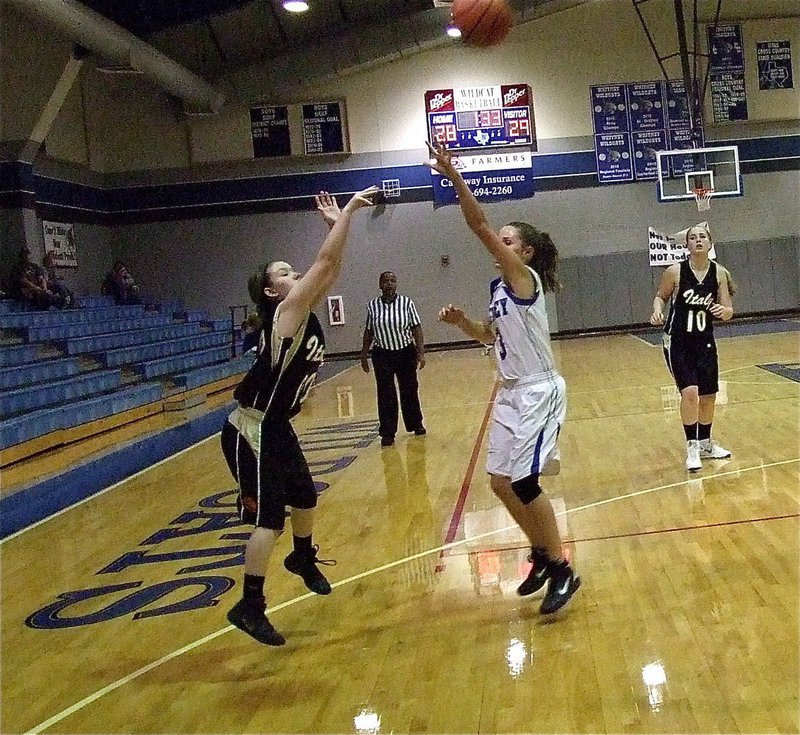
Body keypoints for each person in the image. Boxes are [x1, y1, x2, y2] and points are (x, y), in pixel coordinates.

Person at [425, 142, 580, 616]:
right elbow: (490, 337)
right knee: (498, 483)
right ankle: (539, 553)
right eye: (505, 242)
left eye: (509, 241)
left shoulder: (523, 277)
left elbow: (478, 226)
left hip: (538, 390)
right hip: (510, 392)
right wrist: (462, 325)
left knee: (526, 481)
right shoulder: (498, 290)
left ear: (525, 252)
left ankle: (562, 567)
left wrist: (453, 176)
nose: (501, 245)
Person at [220, 185, 378, 646]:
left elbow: (329, 269)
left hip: (275, 425)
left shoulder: (302, 306)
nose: (298, 274)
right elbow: (326, 266)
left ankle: (302, 558)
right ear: (272, 290)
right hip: (250, 428)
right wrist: (347, 211)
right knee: (270, 519)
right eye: (286, 272)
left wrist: (336, 228)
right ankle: (250, 605)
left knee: (306, 498)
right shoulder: (286, 311)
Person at [650, 225, 734, 471]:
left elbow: (728, 310)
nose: (698, 241)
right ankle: (692, 447)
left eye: (702, 237)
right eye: (692, 238)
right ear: (686, 245)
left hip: (705, 340)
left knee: (708, 395)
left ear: (710, 243)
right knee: (690, 393)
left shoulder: (719, 273)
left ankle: (707, 443)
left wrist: (724, 311)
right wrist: (657, 310)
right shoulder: (675, 271)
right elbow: (661, 297)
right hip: (678, 341)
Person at [360, 271, 426, 447]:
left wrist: (421, 353)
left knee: (409, 389)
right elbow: (369, 331)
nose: (389, 284)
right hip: (382, 354)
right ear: (380, 285)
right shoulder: (372, 306)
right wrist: (364, 354)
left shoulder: (407, 303)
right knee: (386, 393)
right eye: (385, 281)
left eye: (392, 280)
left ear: (396, 284)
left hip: (405, 352)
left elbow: (416, 328)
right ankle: (388, 432)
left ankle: (415, 423)